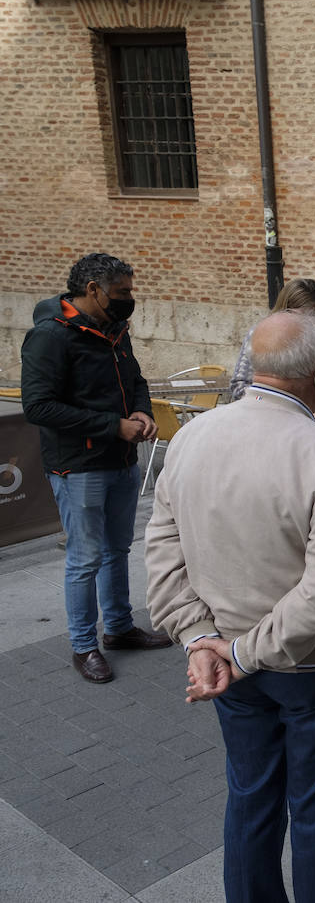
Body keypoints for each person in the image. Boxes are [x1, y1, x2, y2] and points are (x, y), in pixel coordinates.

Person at [146, 311, 315, 902]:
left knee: (251, 799)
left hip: (228, 658)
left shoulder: (192, 435)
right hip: (311, 667)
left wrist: (200, 641)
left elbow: (162, 551)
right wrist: (239, 653)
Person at [20, 253, 173, 683]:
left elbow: (135, 380)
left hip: (121, 458)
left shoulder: (115, 330)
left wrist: (141, 412)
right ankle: (84, 645)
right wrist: (113, 425)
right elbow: (38, 406)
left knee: (116, 551)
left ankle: (120, 629)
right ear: (93, 290)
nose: (130, 298)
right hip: (79, 466)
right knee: (85, 559)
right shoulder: (51, 336)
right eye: (122, 291)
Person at [228, 278, 315, 403]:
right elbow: (239, 386)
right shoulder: (260, 334)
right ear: (284, 310)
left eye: (311, 316)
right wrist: (270, 404)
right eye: (298, 316)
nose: (306, 323)